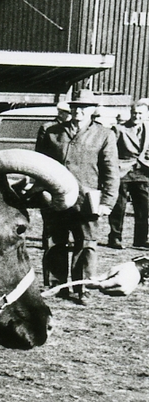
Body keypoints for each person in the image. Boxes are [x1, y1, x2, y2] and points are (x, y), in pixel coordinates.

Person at [35, 89, 120, 304]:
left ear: (93, 111)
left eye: (84, 107)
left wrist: (107, 202)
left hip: (86, 201)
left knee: (87, 245)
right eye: (75, 107)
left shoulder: (104, 135)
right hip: (56, 199)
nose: (78, 111)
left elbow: (111, 172)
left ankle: (83, 288)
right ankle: (56, 285)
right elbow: (39, 165)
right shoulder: (51, 132)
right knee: (55, 242)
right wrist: (41, 192)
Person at [107, 97, 149, 250]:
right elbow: (110, 151)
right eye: (134, 113)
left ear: (146, 115)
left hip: (143, 172)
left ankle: (141, 239)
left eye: (140, 114)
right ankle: (115, 237)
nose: (136, 116)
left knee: (144, 207)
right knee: (119, 207)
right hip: (122, 171)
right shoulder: (119, 129)